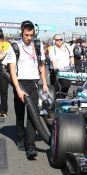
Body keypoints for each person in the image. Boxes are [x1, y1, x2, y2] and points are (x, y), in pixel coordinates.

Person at [5, 20, 48, 160]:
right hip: (20, 82)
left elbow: (41, 65)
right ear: (21, 33)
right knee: (19, 113)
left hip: (33, 83)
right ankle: (20, 138)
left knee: (32, 115)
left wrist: (45, 83)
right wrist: (17, 89)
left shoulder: (38, 45)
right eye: (26, 35)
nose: (29, 38)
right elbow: (11, 70)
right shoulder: (15, 46)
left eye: (31, 35)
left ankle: (30, 147)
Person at [0, 28, 10, 118]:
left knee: (3, 91)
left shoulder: (6, 44)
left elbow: (1, 56)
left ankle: (3, 110)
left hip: (3, 70)